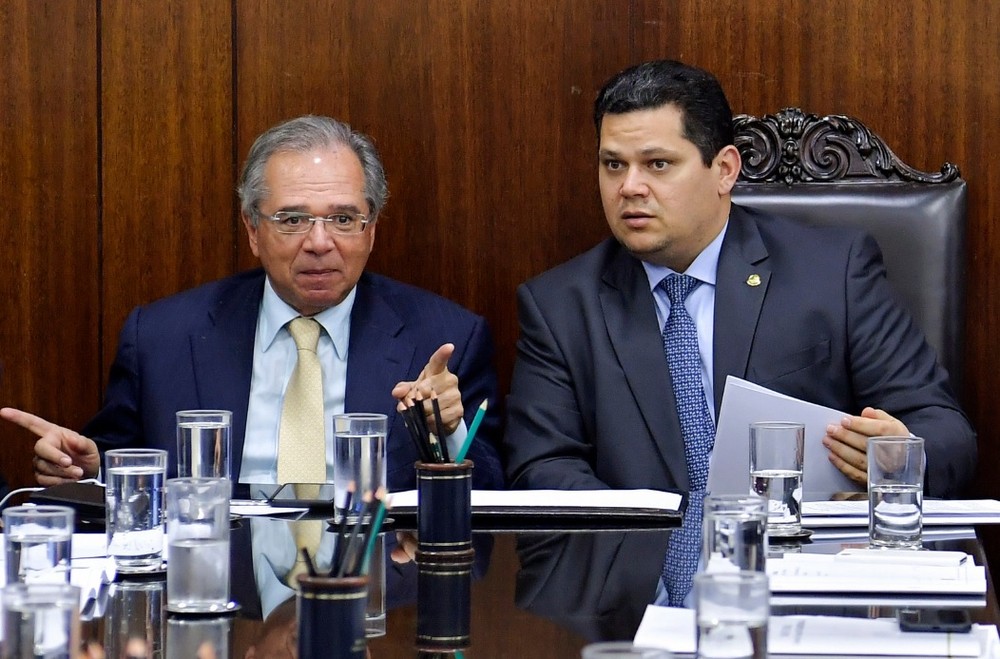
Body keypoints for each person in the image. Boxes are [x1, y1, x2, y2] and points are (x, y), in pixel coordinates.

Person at [502, 60, 975, 602]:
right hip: (639, 603)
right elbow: (542, 467)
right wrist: (645, 559)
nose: (630, 187)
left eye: (658, 164)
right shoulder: (560, 306)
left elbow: (945, 430)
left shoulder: (832, 272)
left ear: (725, 169)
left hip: (811, 588)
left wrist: (897, 460)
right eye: (613, 165)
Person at [3, 115, 503, 494]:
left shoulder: (444, 338)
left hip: (376, 585)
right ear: (253, 230)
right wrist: (87, 470)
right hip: (217, 581)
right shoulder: (161, 337)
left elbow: (493, 498)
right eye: (292, 220)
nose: (320, 243)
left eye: (344, 220)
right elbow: (113, 464)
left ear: (371, 230)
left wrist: (447, 432)